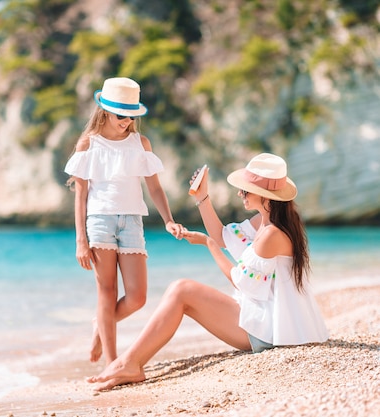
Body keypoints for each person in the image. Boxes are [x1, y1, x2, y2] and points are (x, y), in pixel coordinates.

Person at [86, 153, 329, 390]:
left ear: (265, 195)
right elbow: (224, 237)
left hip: (268, 331)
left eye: (245, 189)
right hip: (267, 320)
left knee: (181, 290)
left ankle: (130, 364)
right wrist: (203, 198)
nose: (239, 193)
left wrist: (208, 245)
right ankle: (129, 363)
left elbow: (239, 280)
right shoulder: (270, 221)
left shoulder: (272, 234)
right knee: (180, 290)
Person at [64, 77, 185, 366]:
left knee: (137, 297)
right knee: (107, 293)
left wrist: (168, 220)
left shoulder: (140, 143)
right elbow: (80, 196)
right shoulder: (87, 144)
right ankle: (112, 363)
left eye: (132, 116)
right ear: (105, 111)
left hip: (132, 222)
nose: (127, 121)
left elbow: (154, 187)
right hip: (99, 222)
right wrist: (81, 240)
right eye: (121, 115)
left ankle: (100, 326)